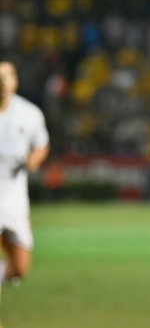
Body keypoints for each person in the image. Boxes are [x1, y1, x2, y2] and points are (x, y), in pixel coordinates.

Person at [0, 60, 50, 315]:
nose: (2, 81)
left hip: (14, 200)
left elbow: (42, 144)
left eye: (7, 76)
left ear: (15, 81)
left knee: (19, 269)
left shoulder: (29, 114)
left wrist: (34, 160)